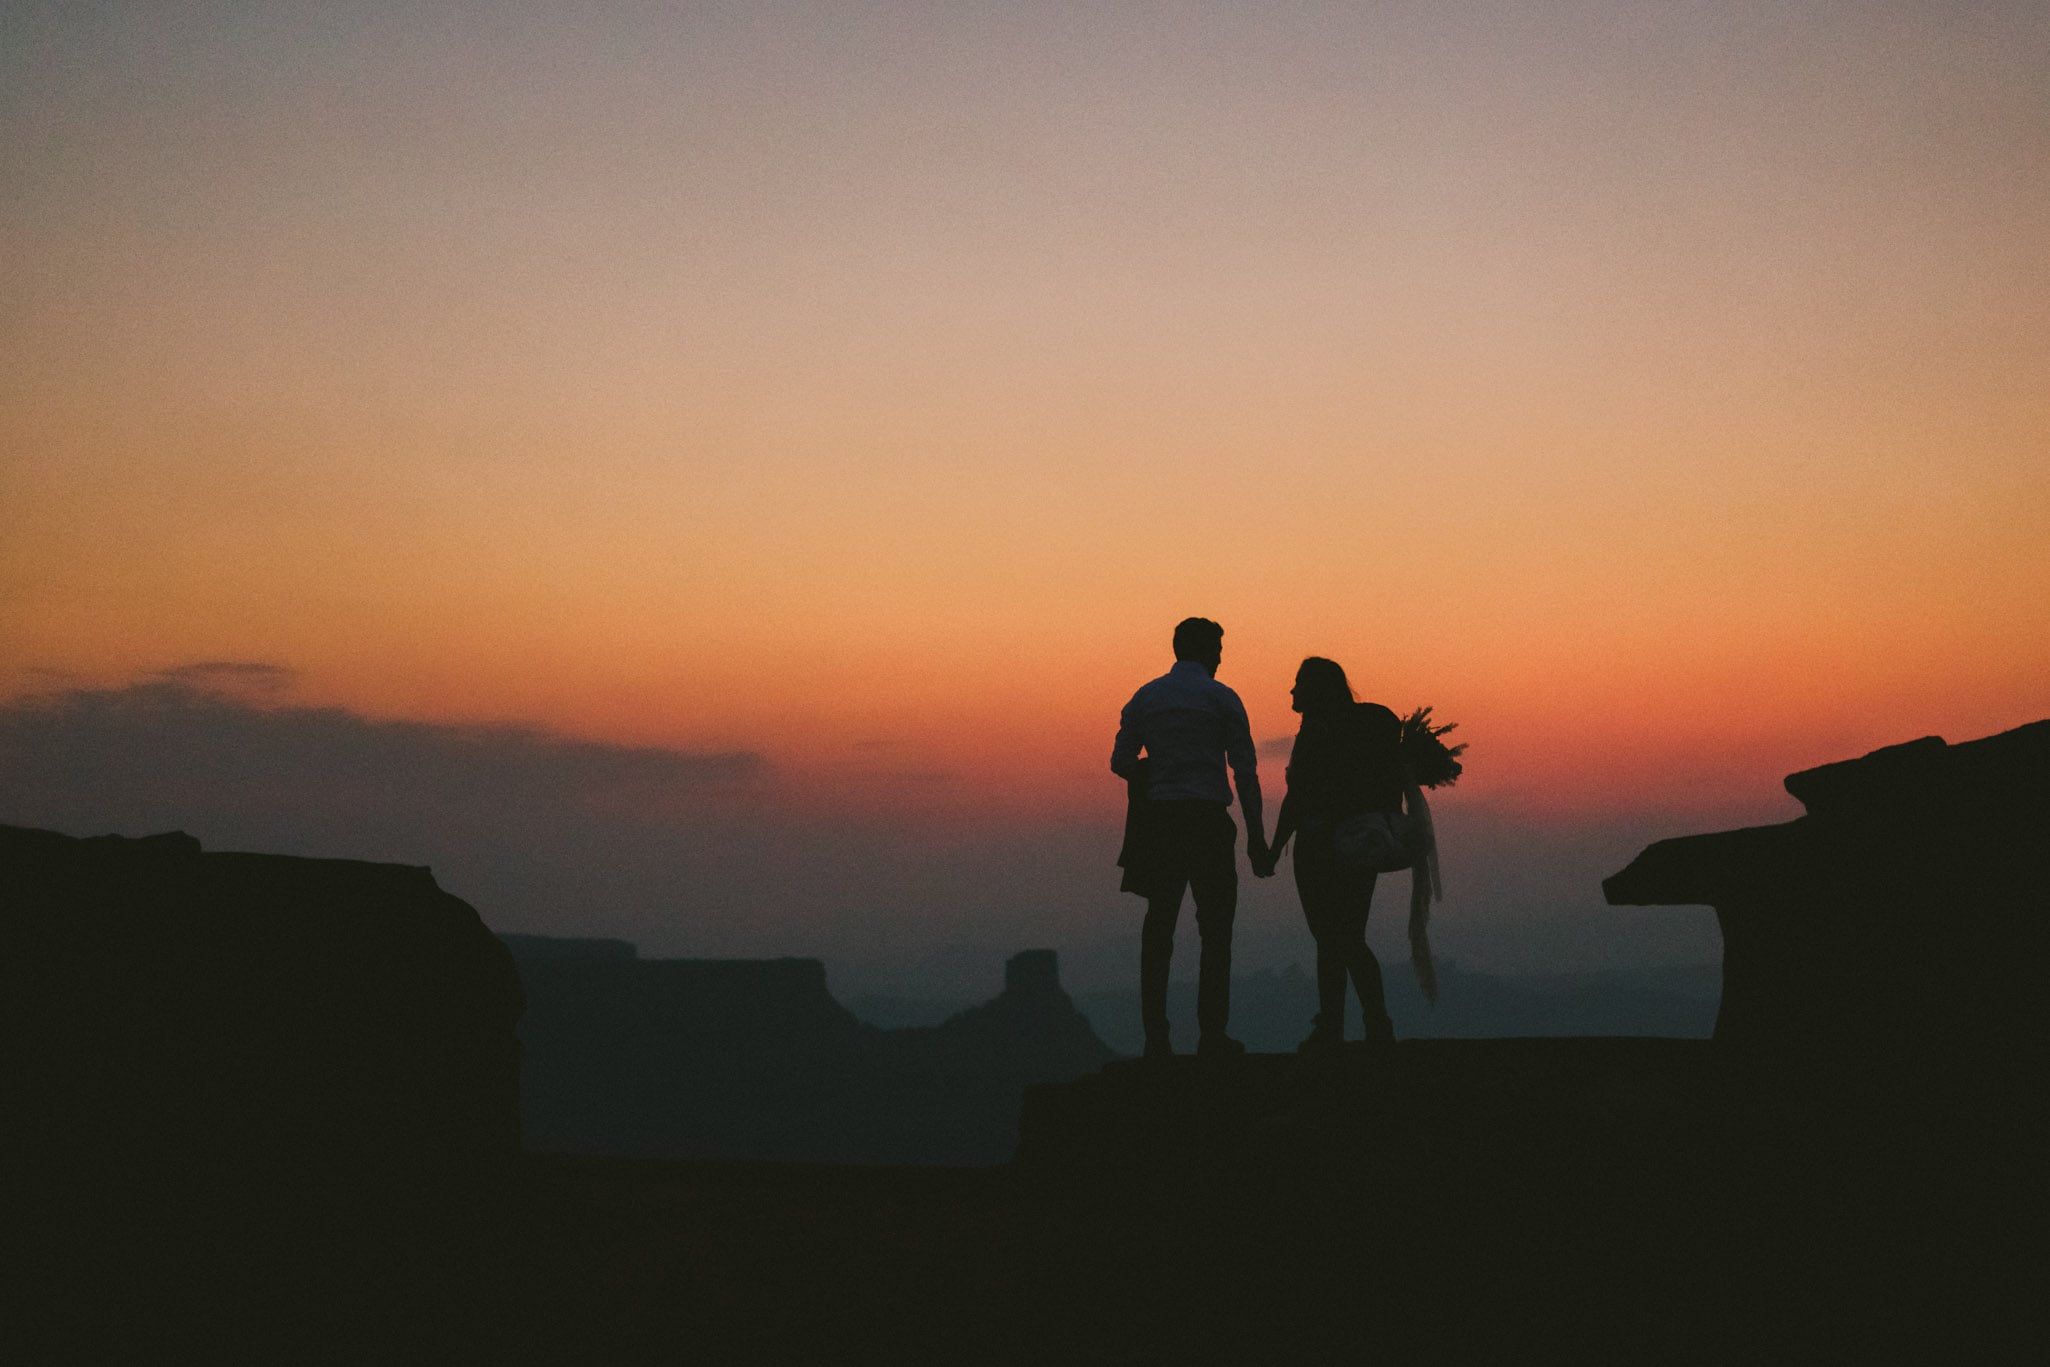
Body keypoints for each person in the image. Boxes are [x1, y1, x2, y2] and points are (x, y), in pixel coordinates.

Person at [1111, 617, 1271, 1060]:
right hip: (1207, 824)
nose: (1221, 658)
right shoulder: (1222, 698)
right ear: (1205, 652)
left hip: (1161, 824)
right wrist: (1257, 837)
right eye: (1218, 649)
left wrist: (1157, 772)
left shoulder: (1146, 698)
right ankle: (1212, 1035)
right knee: (1216, 931)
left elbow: (1121, 760)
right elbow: (1245, 773)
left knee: (1158, 929)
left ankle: (1156, 1037)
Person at [1256, 657, 1404, 1053]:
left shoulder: (1317, 734)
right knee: (1350, 937)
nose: (1291, 690)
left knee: (1331, 939)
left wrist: (1273, 848)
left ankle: (1334, 1029)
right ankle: (1375, 1025)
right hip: (1360, 846)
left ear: (1316, 690)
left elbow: (1298, 797)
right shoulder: (1355, 729)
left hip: (1320, 849)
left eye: (1298, 682)